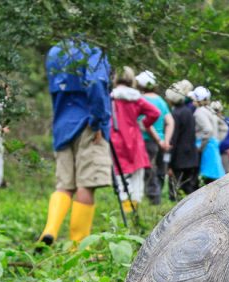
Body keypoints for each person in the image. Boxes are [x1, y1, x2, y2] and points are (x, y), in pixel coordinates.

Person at [39, 39, 112, 246]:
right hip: (87, 123)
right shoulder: (92, 50)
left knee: (64, 185)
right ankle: (77, 246)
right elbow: (96, 82)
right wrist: (99, 120)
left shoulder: (55, 51)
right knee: (85, 185)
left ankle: (49, 230)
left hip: (62, 123)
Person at [110, 67, 161, 213]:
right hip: (135, 139)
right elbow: (155, 113)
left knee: (121, 177)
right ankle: (134, 210)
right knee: (137, 176)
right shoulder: (136, 98)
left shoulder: (111, 98)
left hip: (116, 140)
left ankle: (125, 207)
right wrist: (143, 124)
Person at [135, 71, 174, 205]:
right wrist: (166, 141)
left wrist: (158, 140)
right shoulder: (161, 101)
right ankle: (157, 200)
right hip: (162, 143)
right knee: (160, 171)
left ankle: (152, 201)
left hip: (147, 141)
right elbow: (170, 121)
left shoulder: (141, 100)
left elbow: (146, 123)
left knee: (149, 171)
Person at [165, 80, 199, 199]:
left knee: (174, 191)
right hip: (191, 157)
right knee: (190, 189)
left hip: (178, 160)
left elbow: (172, 140)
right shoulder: (188, 112)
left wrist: (168, 163)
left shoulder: (175, 114)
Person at [191, 87, 225, 184]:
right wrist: (217, 140)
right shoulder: (210, 110)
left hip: (206, 147)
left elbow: (208, 129)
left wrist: (201, 146)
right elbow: (224, 127)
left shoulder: (199, 112)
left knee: (208, 178)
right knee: (215, 176)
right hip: (213, 145)